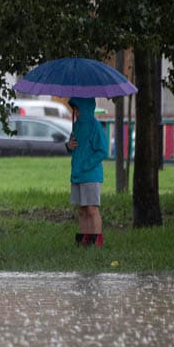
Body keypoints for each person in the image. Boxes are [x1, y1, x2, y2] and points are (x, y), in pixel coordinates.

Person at [65, 96, 108, 247]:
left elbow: (102, 151)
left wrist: (86, 164)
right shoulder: (76, 126)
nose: (76, 112)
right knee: (81, 210)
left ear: (86, 108)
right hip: (77, 174)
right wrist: (69, 146)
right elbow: (76, 148)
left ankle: (96, 241)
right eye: (74, 109)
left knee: (91, 209)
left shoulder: (95, 126)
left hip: (90, 174)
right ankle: (84, 240)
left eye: (78, 109)